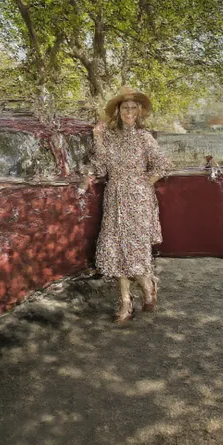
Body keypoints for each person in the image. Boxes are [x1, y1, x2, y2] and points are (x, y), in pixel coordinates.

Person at [81, 86, 173, 324]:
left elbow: (163, 164)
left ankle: (147, 285)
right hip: (114, 197)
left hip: (139, 200)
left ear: (139, 111)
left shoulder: (145, 138)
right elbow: (100, 167)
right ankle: (125, 302)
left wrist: (145, 183)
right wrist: (98, 138)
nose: (129, 111)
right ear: (118, 111)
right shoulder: (110, 137)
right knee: (115, 249)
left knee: (134, 249)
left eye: (134, 107)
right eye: (125, 107)